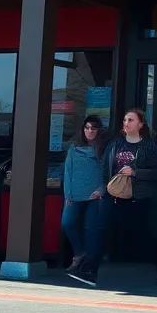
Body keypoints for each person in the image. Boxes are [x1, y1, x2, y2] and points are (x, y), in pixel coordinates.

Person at [71, 109, 157, 288]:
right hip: (113, 196)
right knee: (100, 230)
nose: (126, 123)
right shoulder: (116, 144)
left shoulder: (147, 146)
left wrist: (135, 172)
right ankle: (90, 271)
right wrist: (103, 188)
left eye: (131, 120)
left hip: (137, 197)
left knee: (141, 236)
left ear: (140, 124)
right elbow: (104, 168)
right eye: (124, 120)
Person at [61, 115, 105, 276]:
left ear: (98, 130)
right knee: (67, 223)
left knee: (90, 229)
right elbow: (68, 171)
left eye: (93, 128)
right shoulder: (74, 147)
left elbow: (106, 172)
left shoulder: (103, 149)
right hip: (74, 195)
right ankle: (79, 253)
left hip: (95, 196)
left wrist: (101, 190)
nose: (89, 131)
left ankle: (89, 264)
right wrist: (68, 195)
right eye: (87, 128)